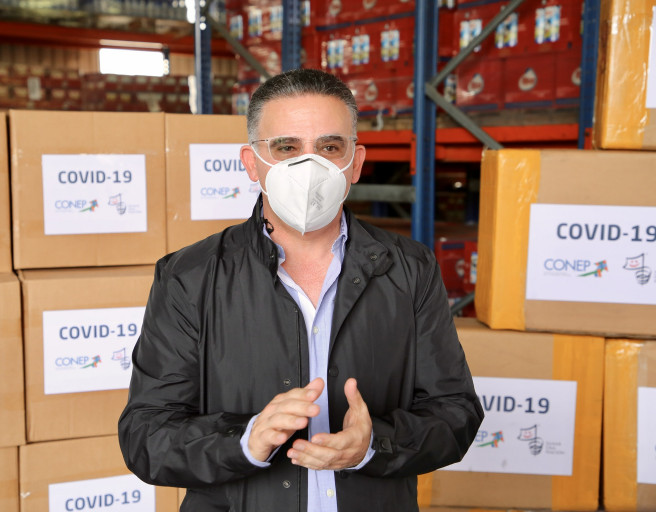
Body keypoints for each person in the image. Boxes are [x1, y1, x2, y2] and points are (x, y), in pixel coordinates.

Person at [119, 68, 484, 511]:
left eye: (329, 147)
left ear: (355, 163)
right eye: (287, 147)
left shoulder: (410, 270)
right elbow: (146, 436)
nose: (309, 167)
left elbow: (456, 413)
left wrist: (374, 444)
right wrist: (245, 440)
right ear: (251, 162)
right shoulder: (189, 277)